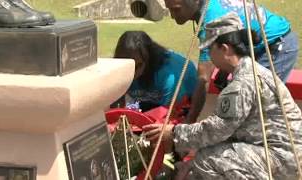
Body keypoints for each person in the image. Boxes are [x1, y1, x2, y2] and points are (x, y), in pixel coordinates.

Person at [143, 13, 302, 180]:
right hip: (283, 152)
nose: (209, 56)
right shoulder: (251, 72)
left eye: (210, 49)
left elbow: (216, 130)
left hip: (284, 158)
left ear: (224, 49)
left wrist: (174, 133)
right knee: (203, 158)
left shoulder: (242, 84)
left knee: (207, 160)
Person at [163, 0, 299, 122]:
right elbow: (231, 44)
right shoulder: (208, 6)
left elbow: (204, 78)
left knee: (257, 106)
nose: (172, 16)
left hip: (276, 46)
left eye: (176, 9)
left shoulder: (212, 20)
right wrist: (223, 72)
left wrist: (190, 119)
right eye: (169, 9)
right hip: (254, 45)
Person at [112, 31, 198, 119]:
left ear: (149, 59)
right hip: (151, 98)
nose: (133, 72)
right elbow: (116, 109)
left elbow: (169, 117)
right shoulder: (118, 71)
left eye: (138, 65)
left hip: (180, 101)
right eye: (128, 66)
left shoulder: (168, 75)